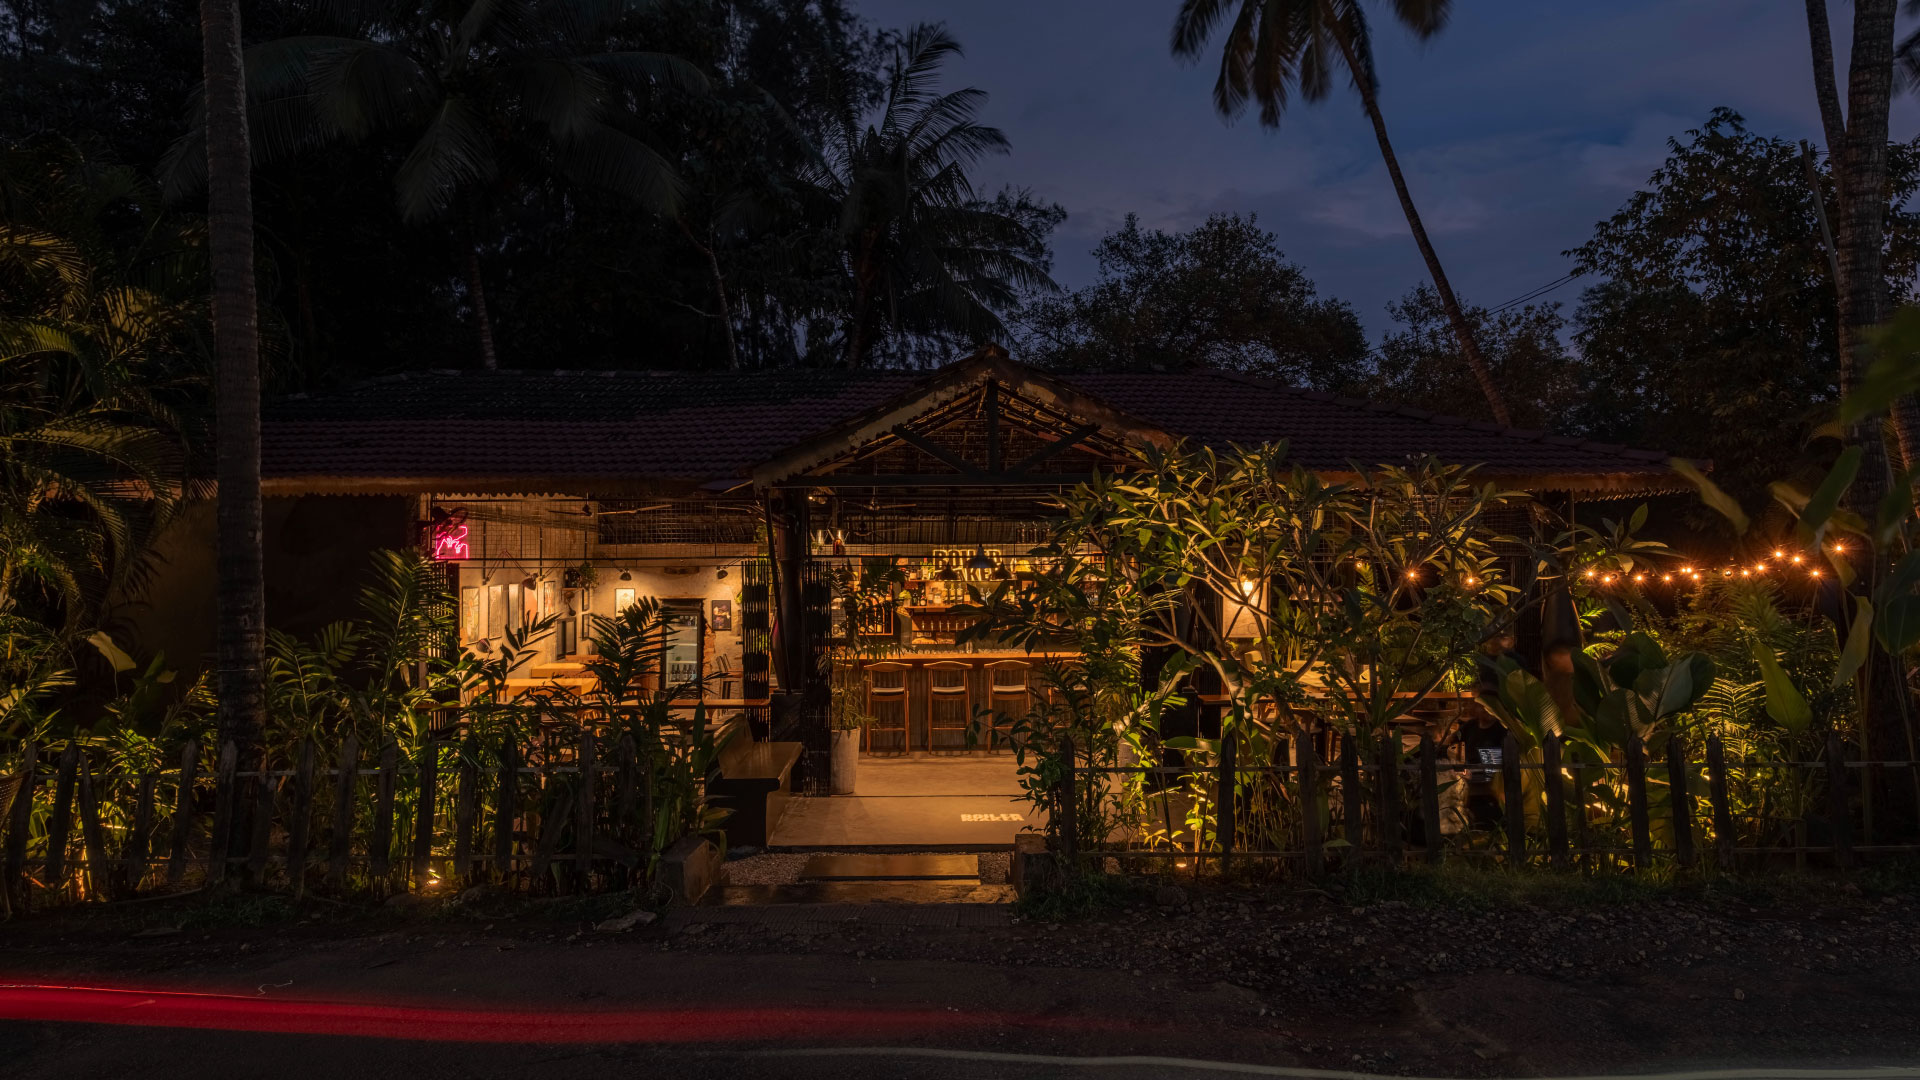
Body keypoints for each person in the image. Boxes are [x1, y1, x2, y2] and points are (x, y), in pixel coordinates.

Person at [1450, 698, 1508, 829]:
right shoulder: (1470, 726)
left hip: (1489, 790)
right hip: (1467, 781)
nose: (1486, 710)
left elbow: (1494, 771)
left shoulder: (1501, 731)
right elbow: (1452, 742)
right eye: (1482, 707)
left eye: (1490, 707)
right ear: (1476, 707)